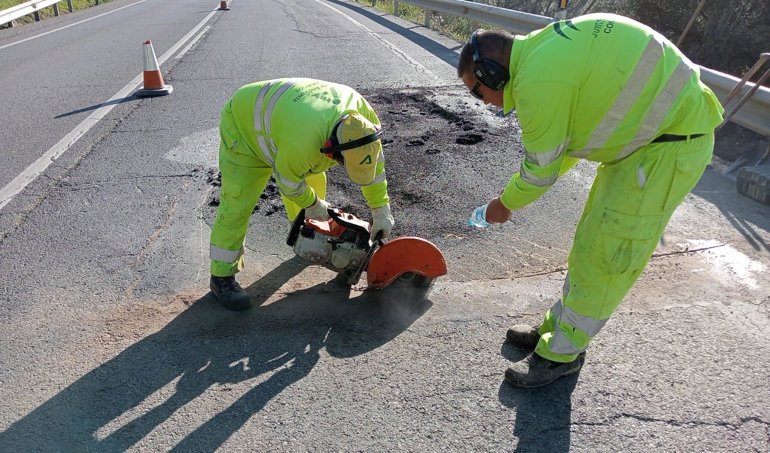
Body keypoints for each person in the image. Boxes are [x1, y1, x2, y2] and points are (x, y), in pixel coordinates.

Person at [457, 13, 724, 388]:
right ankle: (558, 329)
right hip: (643, 143)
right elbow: (566, 146)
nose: (483, 102)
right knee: (589, 244)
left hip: (667, 147)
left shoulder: (537, 82)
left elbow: (540, 169)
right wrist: (512, 197)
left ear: (491, 75)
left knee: (608, 253)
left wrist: (503, 205)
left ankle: (561, 354)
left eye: (477, 91)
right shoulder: (542, 51)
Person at [209, 78, 395, 310]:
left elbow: (375, 169)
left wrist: (380, 208)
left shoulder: (366, 122)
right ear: (331, 150)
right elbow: (288, 181)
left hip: (291, 124)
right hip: (245, 126)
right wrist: (313, 204)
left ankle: (306, 237)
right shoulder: (302, 143)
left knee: (314, 186)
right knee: (238, 200)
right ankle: (221, 277)